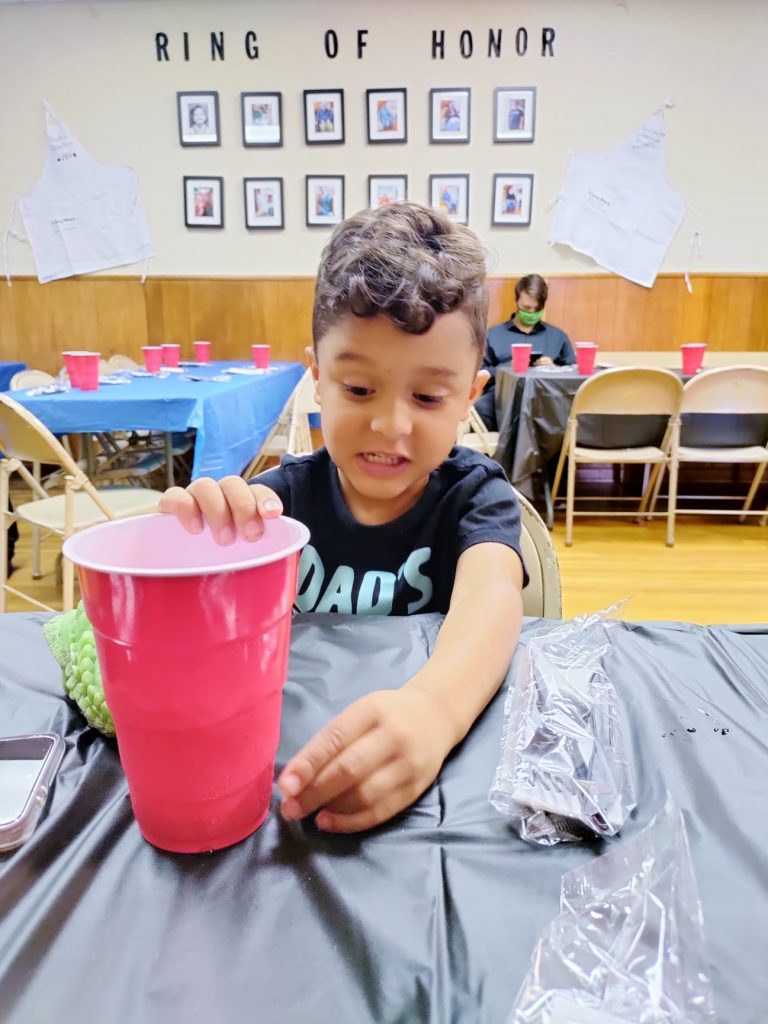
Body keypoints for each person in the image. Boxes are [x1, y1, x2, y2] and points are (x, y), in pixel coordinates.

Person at [159, 202, 526, 835]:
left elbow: (491, 600)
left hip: (437, 789)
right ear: (319, 380)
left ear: (470, 397)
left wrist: (434, 711)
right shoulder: (279, 504)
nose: (390, 425)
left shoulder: (475, 495)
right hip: (282, 772)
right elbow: (199, 639)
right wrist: (192, 547)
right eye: (358, 389)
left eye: (429, 396)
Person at [474, 273, 576, 430]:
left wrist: (554, 369)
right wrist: (508, 367)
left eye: (537, 309)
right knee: (481, 409)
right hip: (503, 401)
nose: (531, 312)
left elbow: (573, 372)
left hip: (546, 401)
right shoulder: (494, 336)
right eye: (527, 308)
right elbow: (480, 374)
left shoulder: (557, 336)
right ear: (516, 301)